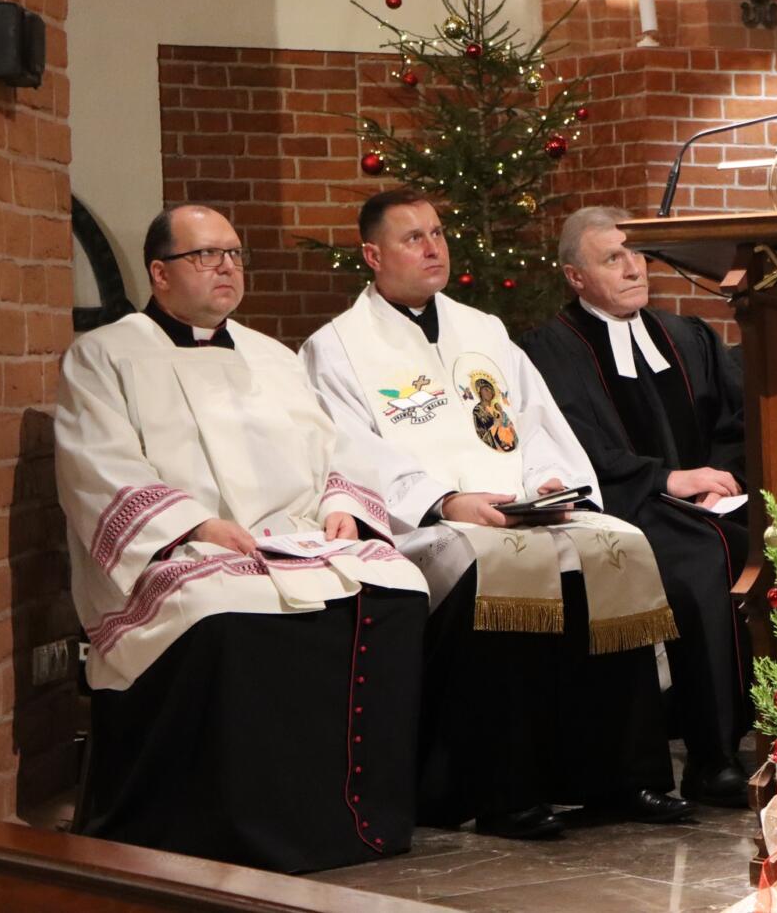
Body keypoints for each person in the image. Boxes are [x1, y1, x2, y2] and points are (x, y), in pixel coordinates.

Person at [301, 188, 690, 839]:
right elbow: (349, 449)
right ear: (372, 255)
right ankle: (505, 793)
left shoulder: (482, 329)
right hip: (428, 523)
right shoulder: (336, 347)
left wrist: (549, 485)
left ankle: (624, 778)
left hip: (523, 509)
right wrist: (445, 500)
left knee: (617, 546)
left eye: (437, 233)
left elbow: (534, 422)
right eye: (413, 238)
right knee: (494, 567)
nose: (433, 247)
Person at [55, 205, 429, 872]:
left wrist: (341, 504)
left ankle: (350, 823)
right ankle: (240, 832)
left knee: (398, 584)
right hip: (184, 546)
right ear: (159, 272)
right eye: (206, 255)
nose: (226, 267)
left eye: (233, 254)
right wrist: (194, 523)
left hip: (295, 541)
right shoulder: (105, 354)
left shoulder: (272, 356)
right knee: (223, 609)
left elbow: (335, 448)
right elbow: (98, 464)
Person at [519, 206, 752, 808]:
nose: (634, 269)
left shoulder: (686, 335)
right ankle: (713, 758)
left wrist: (719, 479)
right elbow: (575, 445)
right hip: (626, 504)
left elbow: (734, 421)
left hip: (712, 501)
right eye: (613, 259)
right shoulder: (552, 350)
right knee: (705, 559)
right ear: (575, 277)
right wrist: (668, 479)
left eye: (638, 254)